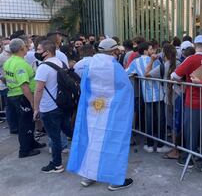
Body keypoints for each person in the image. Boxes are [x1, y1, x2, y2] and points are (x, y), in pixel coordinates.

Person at [67, 38, 134, 191]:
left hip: (93, 111)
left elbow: (85, 86)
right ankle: (115, 180)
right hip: (113, 113)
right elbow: (126, 90)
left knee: (91, 141)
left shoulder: (90, 63)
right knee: (114, 143)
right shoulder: (114, 66)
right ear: (114, 51)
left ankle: (88, 175)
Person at [171, 35, 202, 171]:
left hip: (193, 101)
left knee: (191, 131)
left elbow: (174, 76)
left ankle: (189, 158)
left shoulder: (191, 59)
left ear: (195, 45)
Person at [32, 40, 73, 173]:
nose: (36, 52)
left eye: (38, 50)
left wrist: (36, 108)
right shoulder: (60, 62)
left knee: (54, 138)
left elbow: (38, 90)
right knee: (67, 131)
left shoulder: (43, 67)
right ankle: (86, 151)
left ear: (47, 52)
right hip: (62, 105)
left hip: (49, 108)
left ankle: (57, 165)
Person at [3, 38, 45, 158]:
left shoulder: (9, 61)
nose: (27, 48)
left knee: (27, 122)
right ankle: (25, 150)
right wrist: (33, 102)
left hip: (13, 95)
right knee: (25, 123)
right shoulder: (20, 64)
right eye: (26, 46)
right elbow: (24, 85)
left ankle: (31, 143)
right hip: (22, 96)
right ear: (21, 48)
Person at [126, 42, 169, 153]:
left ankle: (149, 145)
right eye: (151, 49)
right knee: (161, 119)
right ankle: (160, 145)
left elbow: (126, 73)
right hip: (159, 93)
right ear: (145, 50)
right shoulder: (155, 61)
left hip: (147, 95)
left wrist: (135, 76)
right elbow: (160, 73)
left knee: (149, 120)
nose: (153, 51)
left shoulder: (135, 62)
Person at [145, 43, 181, 159]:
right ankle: (180, 148)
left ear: (164, 54)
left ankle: (175, 150)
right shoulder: (180, 63)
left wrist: (151, 60)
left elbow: (146, 74)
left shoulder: (164, 66)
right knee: (179, 124)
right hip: (180, 97)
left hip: (169, 99)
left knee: (173, 125)